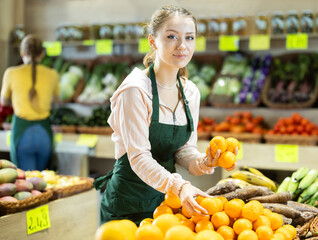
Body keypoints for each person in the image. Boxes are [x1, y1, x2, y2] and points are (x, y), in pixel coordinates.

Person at [93, 5, 236, 225]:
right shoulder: (136, 90)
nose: (182, 46)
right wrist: (181, 186)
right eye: (172, 37)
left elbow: (183, 149)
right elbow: (139, 158)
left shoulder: (190, 92)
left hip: (165, 205)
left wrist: (203, 161)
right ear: (152, 41)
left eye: (189, 38)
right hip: (126, 205)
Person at [1, 34, 59, 171]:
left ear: (22, 53)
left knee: (28, 184)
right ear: (43, 53)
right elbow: (56, 100)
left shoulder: (11, 73)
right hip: (44, 134)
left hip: (22, 134)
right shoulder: (52, 74)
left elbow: (3, 102)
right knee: (43, 182)